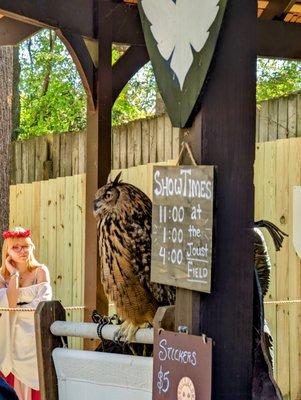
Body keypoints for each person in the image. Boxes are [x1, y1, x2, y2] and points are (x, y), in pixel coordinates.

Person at [0, 227, 52, 400]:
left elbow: (41, 305)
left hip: (31, 340)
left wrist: (15, 312)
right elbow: (10, 303)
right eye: (16, 247)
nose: (23, 251)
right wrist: (14, 273)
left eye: (26, 246)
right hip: (11, 338)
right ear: (7, 251)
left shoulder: (40, 271)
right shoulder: (2, 276)